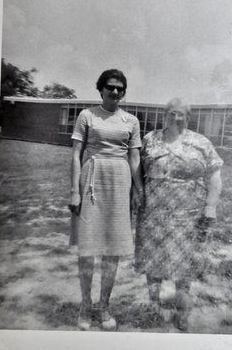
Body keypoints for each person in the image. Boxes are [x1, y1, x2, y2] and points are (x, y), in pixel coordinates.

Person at [135, 98, 223, 332]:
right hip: (154, 208)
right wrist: (138, 194)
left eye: (181, 114)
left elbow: (214, 176)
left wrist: (210, 206)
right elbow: (136, 170)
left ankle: (183, 310)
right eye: (172, 113)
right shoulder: (150, 139)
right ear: (165, 115)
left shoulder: (200, 142)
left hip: (189, 211)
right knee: (152, 255)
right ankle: (154, 305)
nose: (177, 118)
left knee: (184, 260)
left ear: (188, 117)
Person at [69, 69, 143, 331]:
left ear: (124, 92)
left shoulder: (131, 121)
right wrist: (74, 191)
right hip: (91, 180)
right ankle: (85, 306)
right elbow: (76, 154)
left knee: (113, 249)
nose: (115, 92)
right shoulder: (86, 116)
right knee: (88, 249)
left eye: (120, 88)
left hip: (120, 183)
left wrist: (137, 190)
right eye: (110, 87)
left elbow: (134, 158)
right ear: (100, 89)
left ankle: (104, 306)